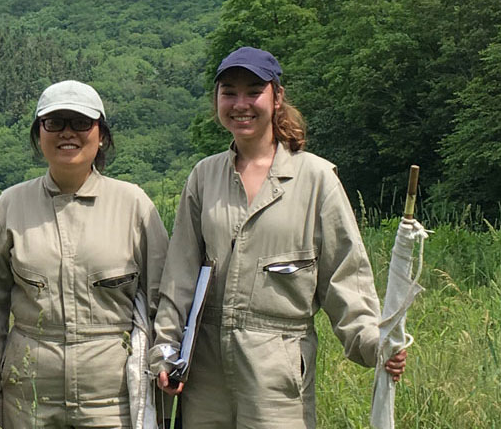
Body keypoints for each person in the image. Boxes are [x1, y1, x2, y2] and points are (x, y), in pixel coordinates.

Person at [151, 47, 408, 428]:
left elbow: (345, 275)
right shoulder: (204, 177)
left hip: (279, 368)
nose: (241, 104)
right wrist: (166, 351)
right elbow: (181, 274)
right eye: (229, 92)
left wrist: (375, 341)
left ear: (277, 97)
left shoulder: (316, 179)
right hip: (204, 370)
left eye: (253, 91)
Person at [0, 80, 170, 429]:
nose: (68, 133)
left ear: (101, 135)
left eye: (81, 123)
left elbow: (163, 302)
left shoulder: (134, 205)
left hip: (112, 402)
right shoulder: (10, 206)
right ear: (39, 134)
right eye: (54, 123)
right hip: (29, 399)